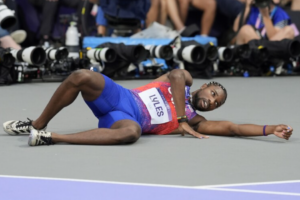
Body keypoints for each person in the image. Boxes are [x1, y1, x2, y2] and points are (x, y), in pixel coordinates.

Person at [3, 69, 293, 146]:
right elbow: (178, 74)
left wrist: (270, 129)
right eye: (214, 92)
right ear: (204, 86)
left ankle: (50, 138)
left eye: (217, 103)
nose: (213, 100)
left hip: (123, 120)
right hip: (120, 99)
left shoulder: (196, 121)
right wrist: (179, 117)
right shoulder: (185, 81)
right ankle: (36, 124)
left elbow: (233, 128)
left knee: (132, 132)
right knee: (81, 76)